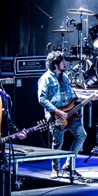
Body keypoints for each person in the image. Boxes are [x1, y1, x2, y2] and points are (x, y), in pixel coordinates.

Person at [38, 50, 87, 179]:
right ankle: (55, 169)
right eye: (62, 61)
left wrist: (85, 99)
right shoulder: (46, 79)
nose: (65, 63)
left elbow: (71, 95)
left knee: (81, 135)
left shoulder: (64, 77)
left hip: (70, 113)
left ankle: (69, 164)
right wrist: (58, 111)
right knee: (57, 143)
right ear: (55, 64)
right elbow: (42, 99)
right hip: (56, 115)